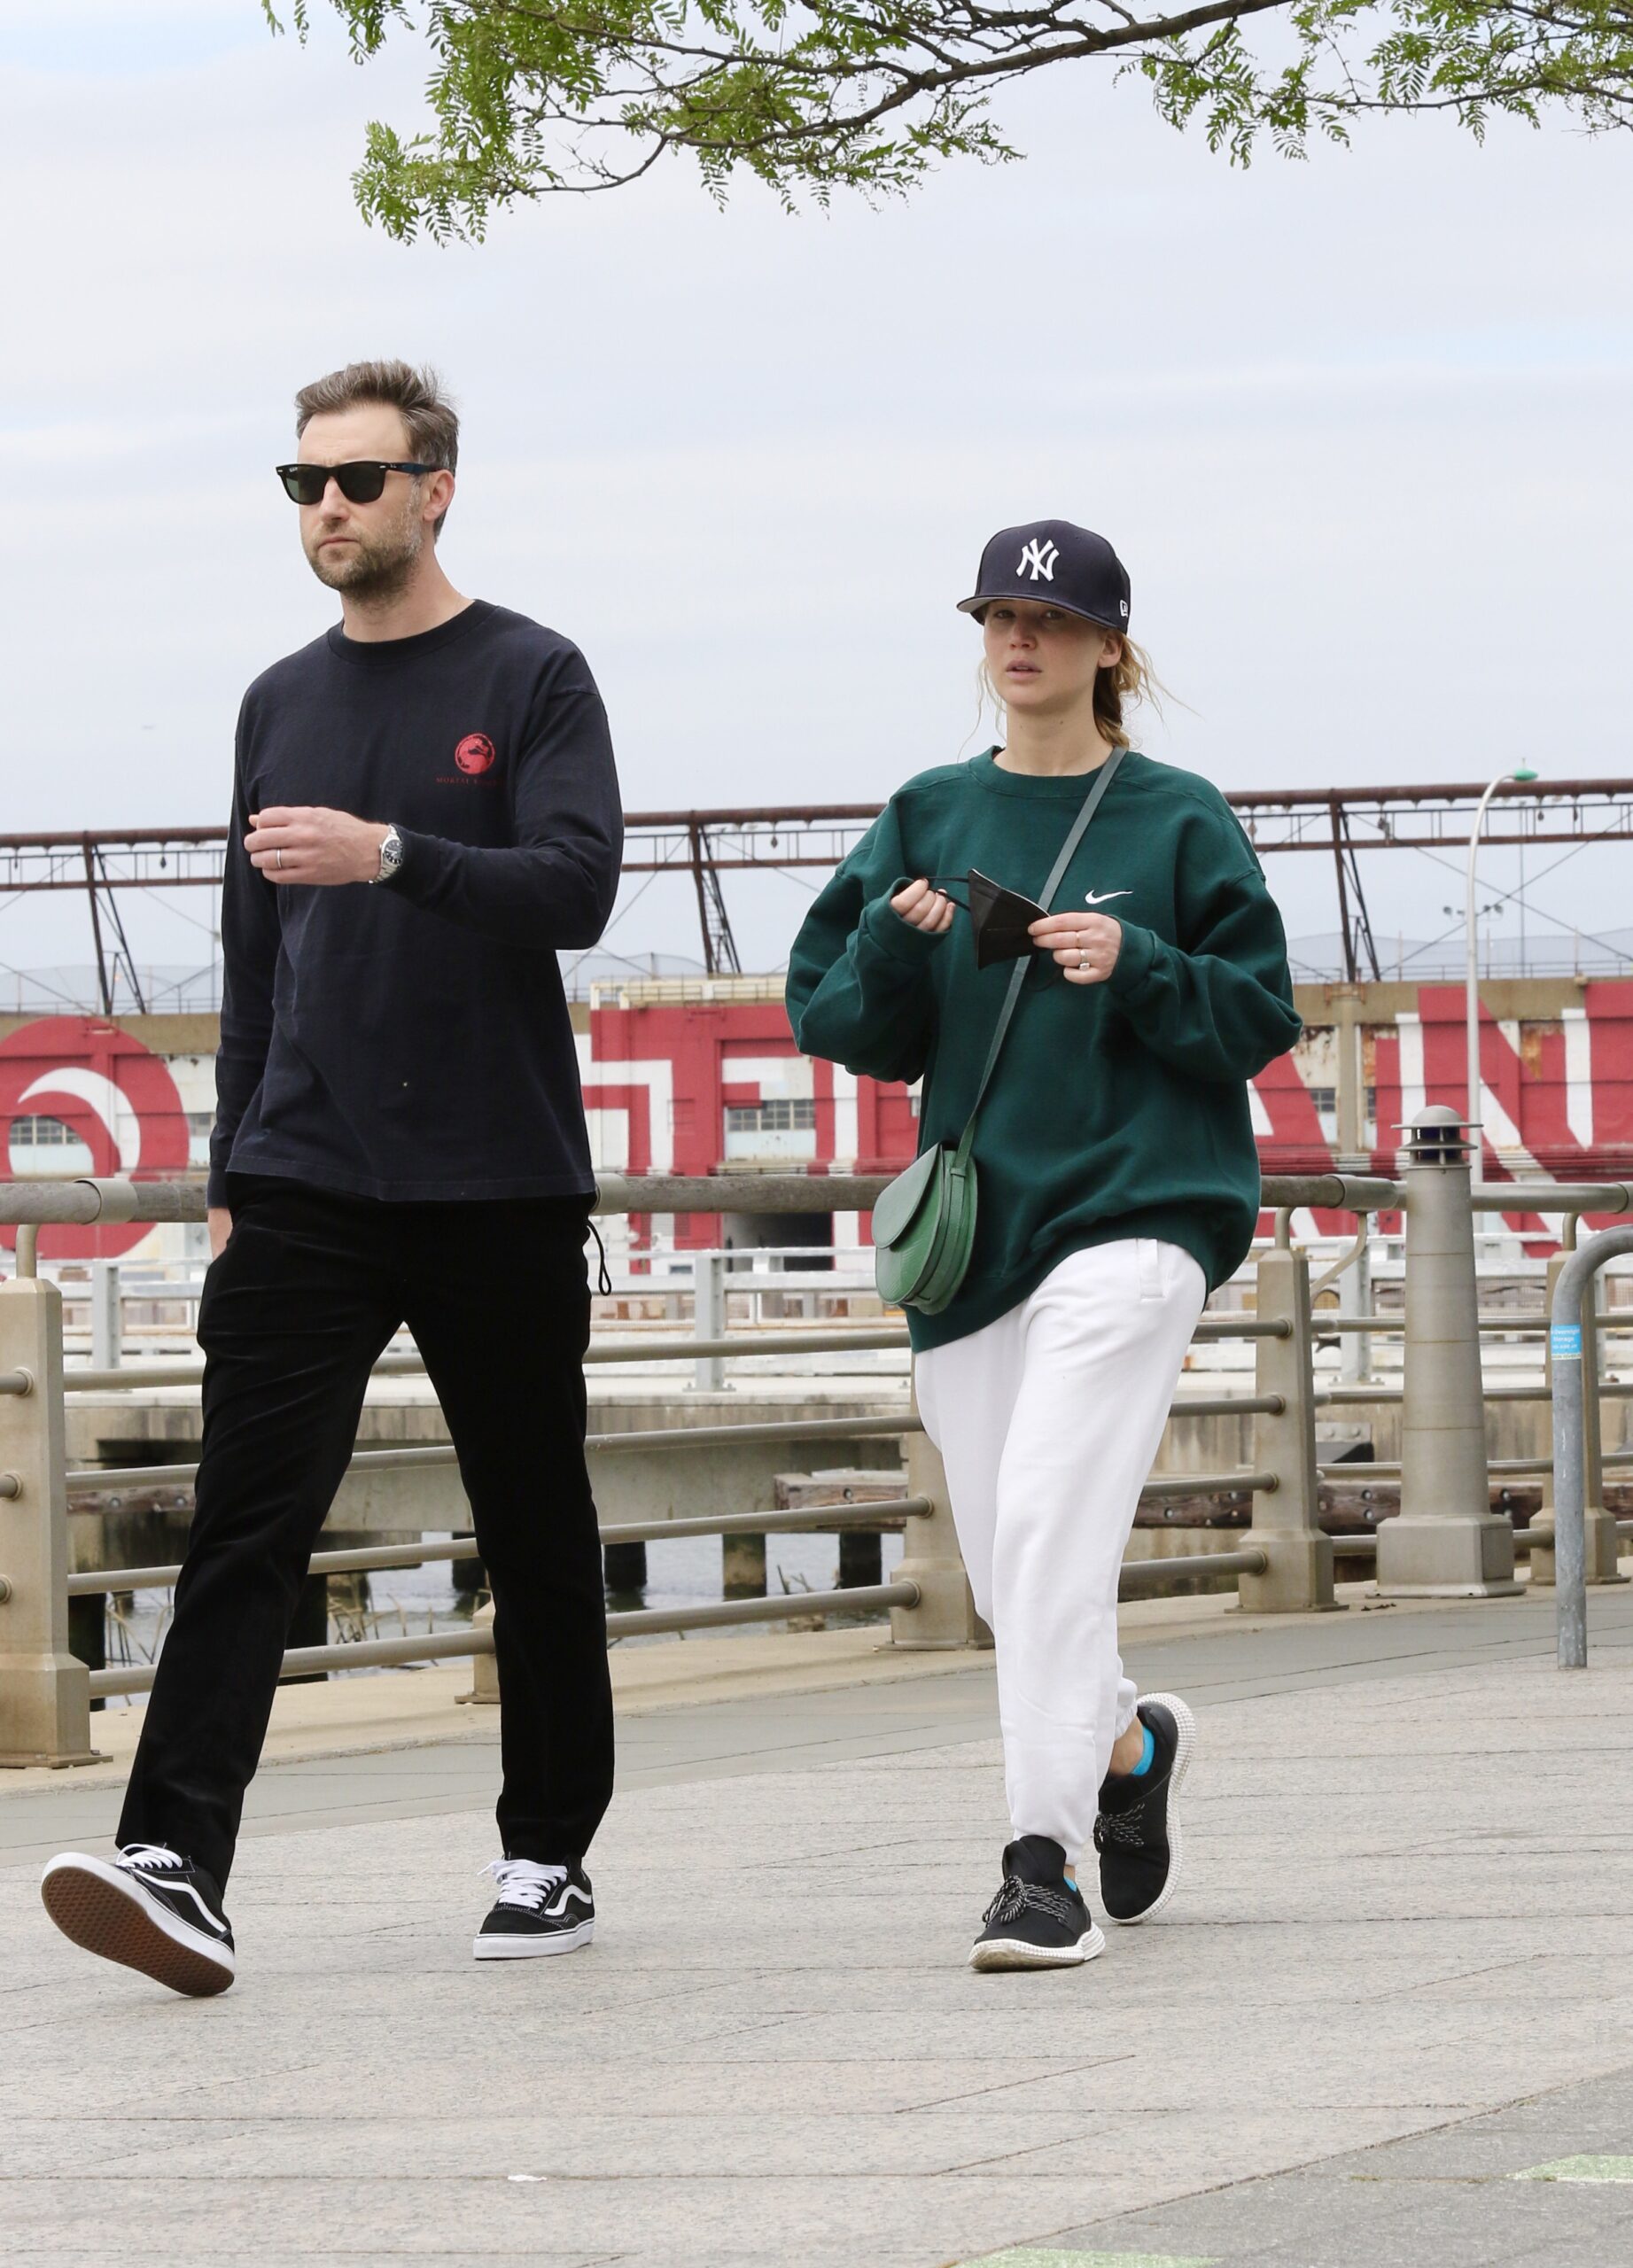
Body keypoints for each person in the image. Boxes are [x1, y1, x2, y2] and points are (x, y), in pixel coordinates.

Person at [41, 361, 623, 1996]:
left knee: (530, 1518)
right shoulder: (275, 701)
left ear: (437, 488)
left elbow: (575, 889)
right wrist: (232, 1160)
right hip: (301, 1178)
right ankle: (176, 1860)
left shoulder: (533, 674)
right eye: (302, 484)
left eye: (358, 480)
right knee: (247, 1517)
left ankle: (548, 1848)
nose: (329, 509)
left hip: (497, 1179)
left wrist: (393, 855)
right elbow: (250, 954)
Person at [787, 519, 1300, 1970]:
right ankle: (1129, 1749)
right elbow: (837, 1021)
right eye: (999, 616)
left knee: (1053, 1523)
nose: (1021, 641)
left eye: (1052, 620)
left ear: (1108, 648)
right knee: (1022, 1570)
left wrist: (1135, 961)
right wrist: (898, 943)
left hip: (1142, 1217)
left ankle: (1038, 1866)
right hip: (979, 1235)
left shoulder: (1180, 816)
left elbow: (1256, 1016)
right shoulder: (929, 809)